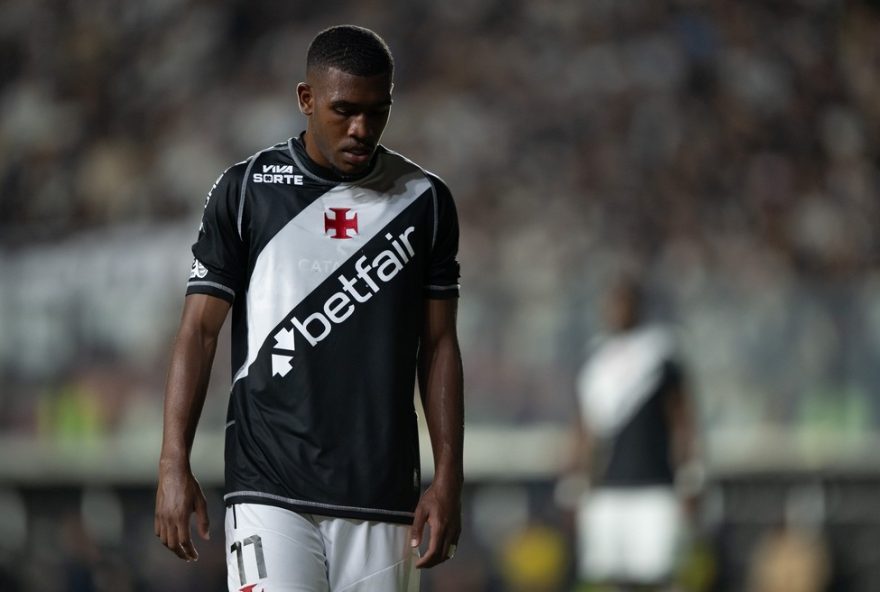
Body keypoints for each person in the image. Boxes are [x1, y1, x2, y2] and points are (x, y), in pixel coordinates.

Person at [154, 25, 463, 592]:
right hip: (267, 487)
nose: (361, 129)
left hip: (382, 492)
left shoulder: (426, 201)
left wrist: (449, 479)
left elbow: (440, 344)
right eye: (344, 110)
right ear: (306, 99)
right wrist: (173, 460)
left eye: (377, 111)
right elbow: (199, 332)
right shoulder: (246, 190)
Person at [567, 275, 701, 591]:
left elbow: (682, 418)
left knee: (657, 575)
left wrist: (691, 475)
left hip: (655, 485)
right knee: (608, 578)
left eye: (623, 302)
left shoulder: (661, 353)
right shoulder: (596, 358)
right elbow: (585, 425)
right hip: (607, 488)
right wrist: (576, 481)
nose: (616, 310)